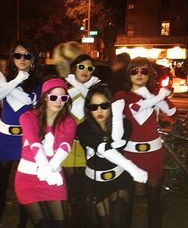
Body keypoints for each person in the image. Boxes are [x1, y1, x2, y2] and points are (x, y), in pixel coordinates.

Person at [114, 57, 177, 228]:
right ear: (128, 74)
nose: (139, 74)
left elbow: (172, 111)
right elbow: (136, 108)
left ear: (151, 74)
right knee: (127, 202)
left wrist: (159, 95)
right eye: (134, 71)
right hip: (130, 155)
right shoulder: (122, 95)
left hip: (153, 154)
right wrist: (157, 97)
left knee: (154, 200)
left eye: (144, 71)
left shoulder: (154, 95)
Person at [77, 84, 148, 227]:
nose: (99, 111)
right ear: (88, 108)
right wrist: (133, 169)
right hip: (95, 180)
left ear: (111, 105)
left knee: (118, 220)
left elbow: (117, 141)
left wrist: (116, 117)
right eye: (94, 107)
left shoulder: (126, 124)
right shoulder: (83, 129)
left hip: (120, 178)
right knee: (104, 223)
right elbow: (104, 149)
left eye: (104, 105)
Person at [0, 40, 41, 228]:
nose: (22, 59)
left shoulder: (36, 82)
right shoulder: (4, 78)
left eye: (27, 55)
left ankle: (22, 224)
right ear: (12, 57)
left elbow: (29, 100)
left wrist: (10, 86)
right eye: (17, 55)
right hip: (4, 139)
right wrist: (17, 80)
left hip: (26, 140)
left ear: (33, 59)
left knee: (25, 187)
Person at [14, 77, 76, 227]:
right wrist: (45, 169)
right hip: (27, 179)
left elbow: (65, 147)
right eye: (53, 97)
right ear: (45, 97)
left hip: (54, 176)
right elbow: (35, 145)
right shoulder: (28, 117)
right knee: (42, 225)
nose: (58, 101)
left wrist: (48, 171)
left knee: (61, 223)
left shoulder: (68, 121)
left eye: (63, 97)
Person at [53, 41, 101, 170]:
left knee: (85, 184)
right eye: (80, 66)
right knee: (69, 181)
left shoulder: (97, 88)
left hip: (89, 145)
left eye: (89, 68)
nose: (85, 70)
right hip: (65, 143)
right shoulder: (61, 87)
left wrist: (80, 86)